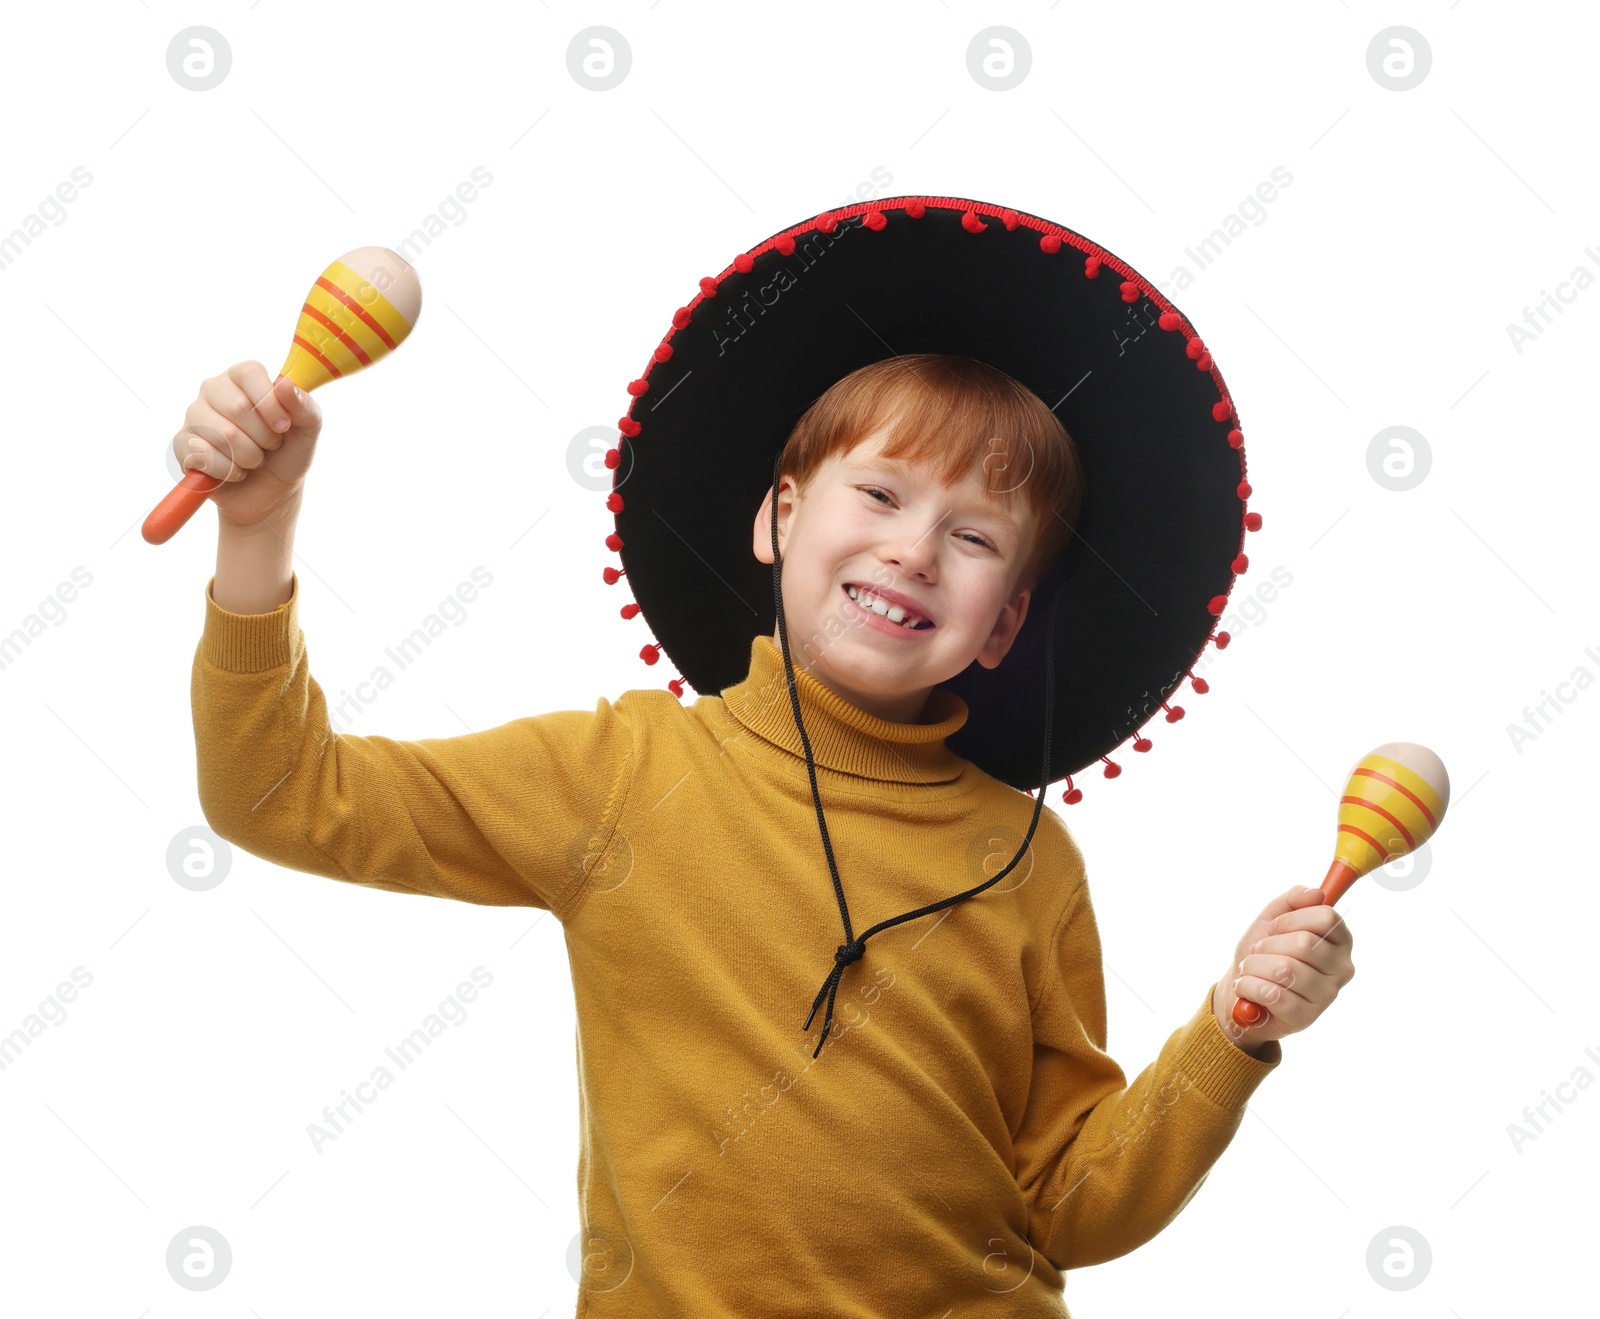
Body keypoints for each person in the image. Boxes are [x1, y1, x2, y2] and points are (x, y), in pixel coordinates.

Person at [184, 197, 1354, 1317]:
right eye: (881, 493)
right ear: (779, 516)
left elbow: (1072, 1207)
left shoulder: (1027, 860)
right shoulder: (619, 774)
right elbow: (279, 791)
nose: (911, 551)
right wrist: (257, 530)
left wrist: (1235, 1024)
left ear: (1005, 623)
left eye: (974, 536)